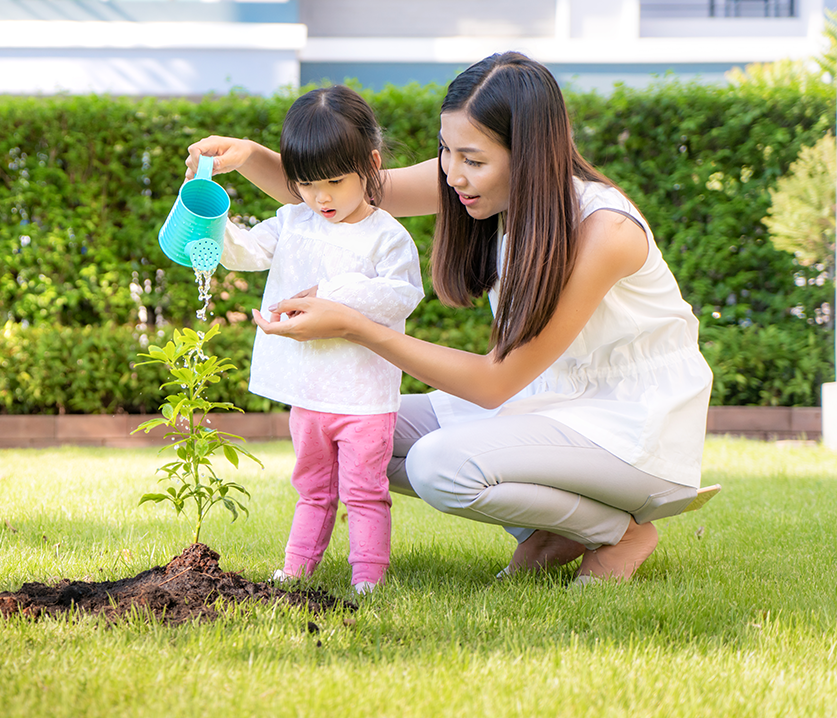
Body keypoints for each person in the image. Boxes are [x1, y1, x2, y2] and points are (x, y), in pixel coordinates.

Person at [187, 52, 714, 584]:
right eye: (445, 151)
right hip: (544, 406)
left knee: (438, 465)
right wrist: (249, 155)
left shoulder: (604, 231)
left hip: (630, 431)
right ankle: (551, 533)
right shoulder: (475, 183)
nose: (453, 174)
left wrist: (352, 324)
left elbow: (494, 382)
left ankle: (616, 531)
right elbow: (338, 198)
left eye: (473, 159)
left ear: (530, 156)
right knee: (366, 428)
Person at [216, 85, 424, 593]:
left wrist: (329, 295)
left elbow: (402, 294)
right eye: (306, 184)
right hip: (309, 393)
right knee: (311, 488)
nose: (321, 198)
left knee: (365, 492)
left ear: (370, 165)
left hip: (364, 396)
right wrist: (211, 222)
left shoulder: (386, 235)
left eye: (334, 181)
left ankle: (368, 578)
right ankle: (296, 567)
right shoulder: (292, 221)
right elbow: (243, 252)